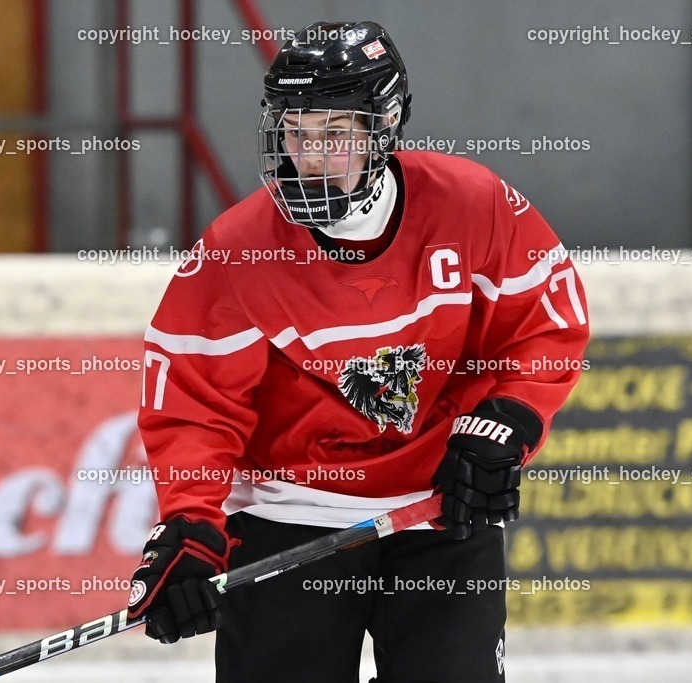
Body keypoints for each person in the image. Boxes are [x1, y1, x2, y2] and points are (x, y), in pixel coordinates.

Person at [126, 20, 589, 683]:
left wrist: (509, 420)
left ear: (387, 123)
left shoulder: (473, 206)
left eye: (335, 133)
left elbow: (545, 321)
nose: (310, 157)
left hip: (438, 511)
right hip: (289, 522)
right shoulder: (237, 250)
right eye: (296, 131)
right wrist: (192, 525)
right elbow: (195, 405)